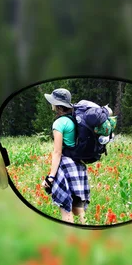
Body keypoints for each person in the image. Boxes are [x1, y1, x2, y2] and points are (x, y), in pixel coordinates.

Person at [41, 88, 90, 225]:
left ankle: (70, 241)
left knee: (66, 209)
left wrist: (51, 177)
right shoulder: (76, 118)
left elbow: (57, 152)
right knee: (79, 209)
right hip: (78, 165)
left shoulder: (59, 123)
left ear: (56, 105)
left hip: (66, 166)